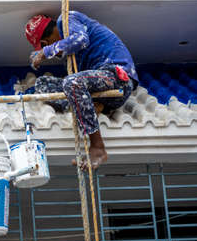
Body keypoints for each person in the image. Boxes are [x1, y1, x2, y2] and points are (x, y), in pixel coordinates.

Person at [25, 11, 138, 170]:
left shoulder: (66, 18)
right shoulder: (73, 57)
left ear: (45, 42)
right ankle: (95, 106)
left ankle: (98, 147)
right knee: (43, 84)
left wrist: (46, 52)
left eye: (44, 46)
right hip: (101, 86)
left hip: (117, 77)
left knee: (72, 82)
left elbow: (80, 40)